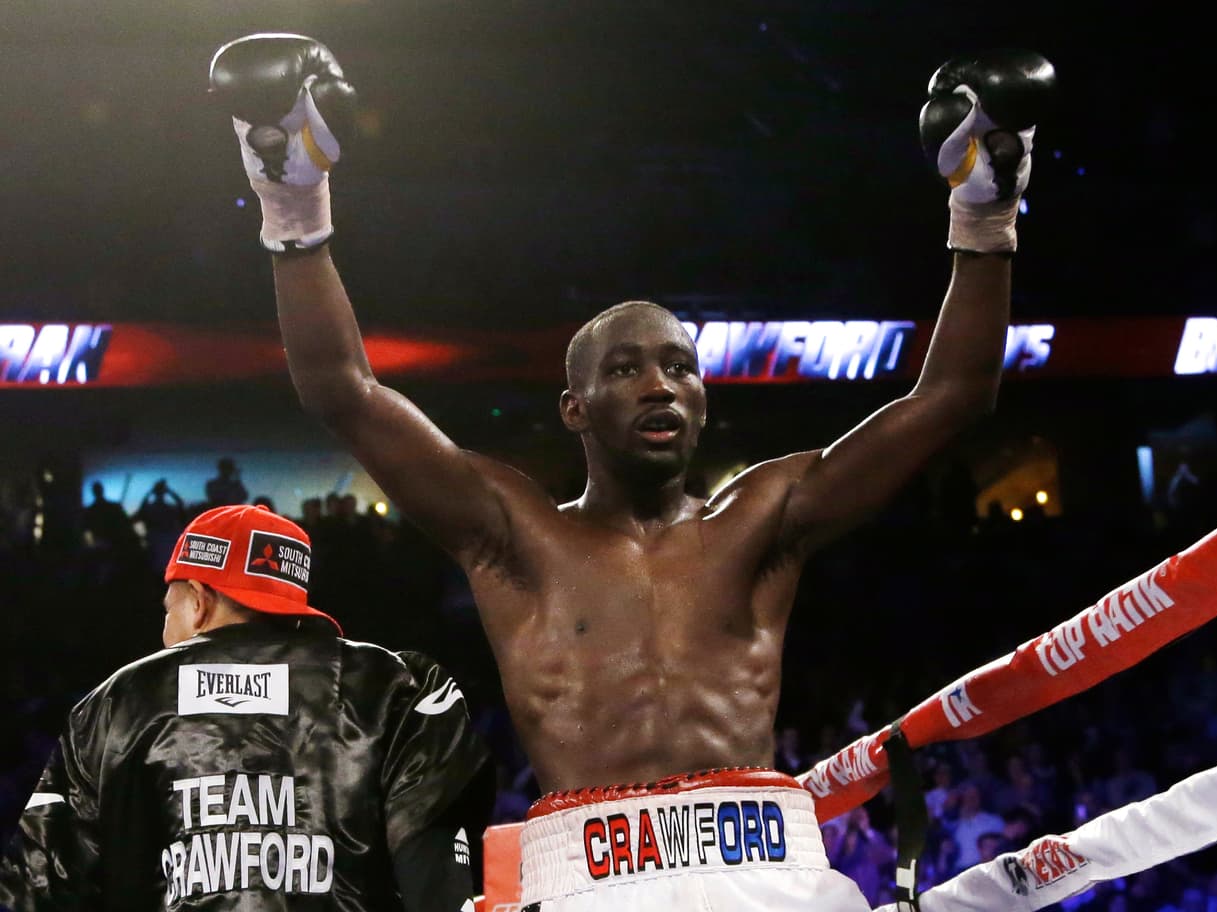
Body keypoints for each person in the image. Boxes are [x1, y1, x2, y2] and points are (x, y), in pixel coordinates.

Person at [210, 32, 1052, 911]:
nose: (659, 385)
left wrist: (985, 214)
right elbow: (342, 389)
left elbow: (954, 394)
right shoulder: (515, 533)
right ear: (574, 409)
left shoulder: (766, 515)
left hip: (769, 875)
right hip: (591, 883)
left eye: (679, 367)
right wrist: (291, 201)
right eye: (624, 370)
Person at [0, 504, 493, 911]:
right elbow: (438, 881)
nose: (165, 629)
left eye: (167, 610)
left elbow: (40, 888)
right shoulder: (396, 687)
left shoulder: (113, 704)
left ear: (197, 600)